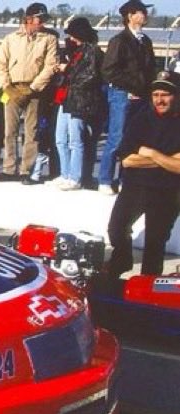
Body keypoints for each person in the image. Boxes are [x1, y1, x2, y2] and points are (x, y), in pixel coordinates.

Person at [106, 71, 180, 279]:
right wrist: (168, 159)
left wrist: (150, 152)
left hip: (168, 190)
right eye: (155, 94)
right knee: (117, 228)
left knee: (155, 242)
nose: (159, 100)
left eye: (165, 95)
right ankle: (122, 260)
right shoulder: (142, 118)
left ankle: (148, 286)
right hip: (135, 186)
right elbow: (127, 159)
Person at [0, 3, 58, 182]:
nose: (42, 22)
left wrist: (34, 87)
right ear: (28, 19)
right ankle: (8, 168)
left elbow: (50, 65)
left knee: (32, 132)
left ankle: (26, 170)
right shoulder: (11, 38)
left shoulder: (49, 39)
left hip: (35, 90)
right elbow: (0, 63)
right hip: (12, 88)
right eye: (39, 18)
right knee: (9, 130)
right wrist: (6, 86)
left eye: (44, 19)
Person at [98, 0, 157, 195]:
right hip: (122, 95)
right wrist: (131, 86)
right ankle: (105, 179)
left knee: (134, 139)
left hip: (141, 97)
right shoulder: (119, 41)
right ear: (130, 16)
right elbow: (108, 71)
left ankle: (125, 178)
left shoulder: (145, 41)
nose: (144, 16)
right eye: (139, 12)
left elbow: (150, 69)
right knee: (116, 137)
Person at [53, 18, 104, 191]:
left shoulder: (92, 51)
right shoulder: (75, 52)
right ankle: (66, 173)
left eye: (73, 35)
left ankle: (75, 177)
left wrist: (66, 70)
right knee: (60, 138)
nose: (70, 39)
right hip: (66, 98)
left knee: (76, 140)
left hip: (79, 100)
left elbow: (90, 76)